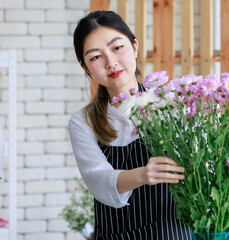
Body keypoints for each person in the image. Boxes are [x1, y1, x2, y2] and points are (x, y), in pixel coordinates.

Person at [68, 10, 192, 240]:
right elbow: (99, 181)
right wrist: (144, 174)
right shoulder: (83, 122)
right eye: (95, 57)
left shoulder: (173, 104)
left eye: (117, 48)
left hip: (176, 233)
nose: (110, 62)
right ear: (85, 67)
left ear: (134, 46)